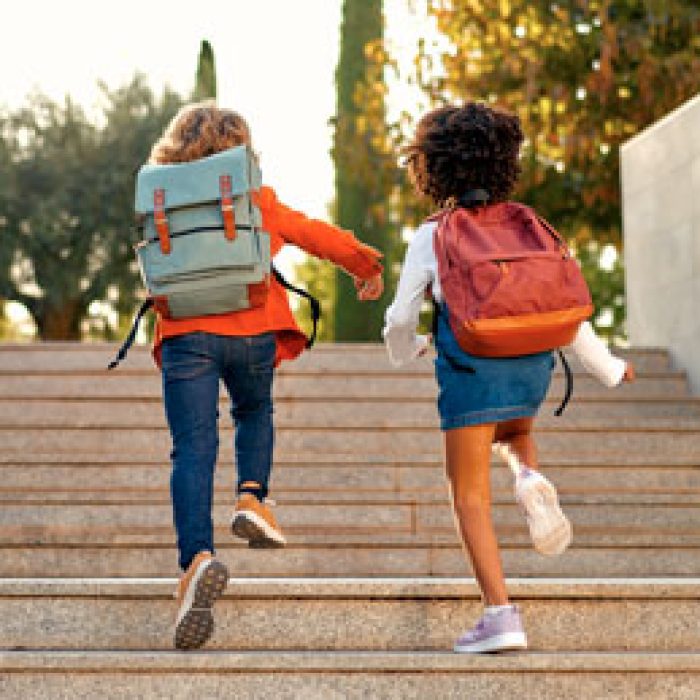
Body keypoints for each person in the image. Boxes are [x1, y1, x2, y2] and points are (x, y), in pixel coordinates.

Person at [382, 102, 635, 654]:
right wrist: (610, 368)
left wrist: (408, 349)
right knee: (515, 434)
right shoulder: (530, 223)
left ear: (432, 169)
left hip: (473, 366)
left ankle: (499, 615)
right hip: (532, 365)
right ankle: (526, 477)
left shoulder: (433, 235)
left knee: (468, 495)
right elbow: (567, 308)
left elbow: (401, 317)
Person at [148, 101, 384, 650]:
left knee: (192, 448)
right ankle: (252, 497)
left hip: (185, 333)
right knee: (253, 411)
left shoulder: (160, 196)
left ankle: (196, 561)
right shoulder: (256, 199)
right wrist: (363, 265)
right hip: (253, 327)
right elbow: (309, 232)